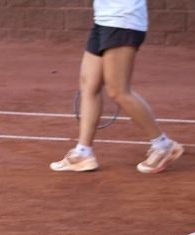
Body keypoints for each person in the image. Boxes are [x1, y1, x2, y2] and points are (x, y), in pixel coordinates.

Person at [50, 0, 184, 174]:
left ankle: (164, 145)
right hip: (104, 19)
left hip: (123, 20)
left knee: (118, 91)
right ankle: (83, 153)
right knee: (89, 84)